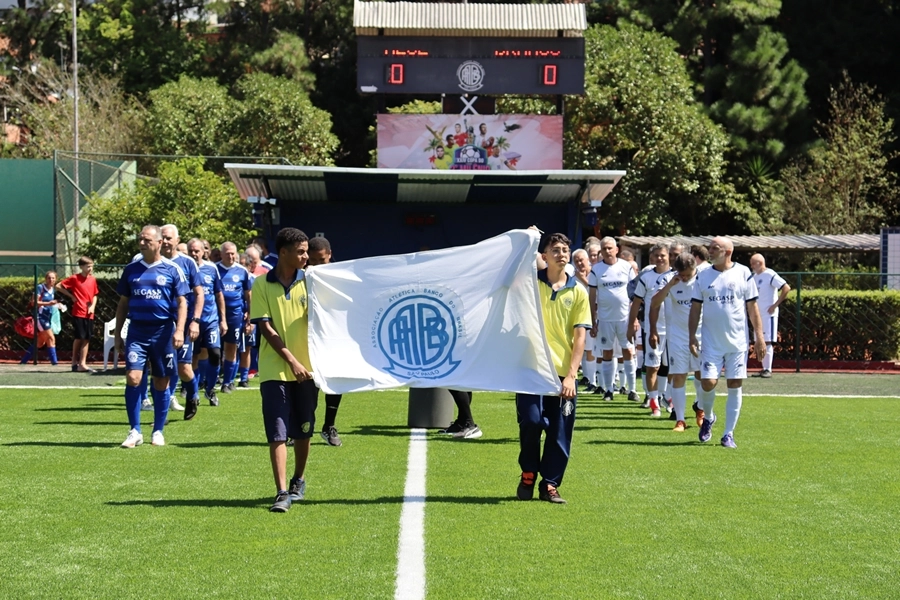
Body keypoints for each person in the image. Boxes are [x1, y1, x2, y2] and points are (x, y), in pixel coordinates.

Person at [516, 232, 591, 505]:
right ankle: (528, 472)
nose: (561, 254)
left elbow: (580, 336)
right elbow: (506, 276)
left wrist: (572, 375)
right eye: (555, 249)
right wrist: (526, 239)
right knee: (532, 422)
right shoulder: (528, 284)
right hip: (530, 369)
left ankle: (550, 484)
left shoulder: (578, 291)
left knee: (560, 430)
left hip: (562, 374)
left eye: (564, 250)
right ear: (543, 256)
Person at [250, 227, 317, 512]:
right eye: (301, 252)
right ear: (285, 253)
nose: (306, 257)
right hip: (274, 370)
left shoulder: (313, 282)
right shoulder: (261, 284)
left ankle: (298, 480)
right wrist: (291, 360)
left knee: (303, 430)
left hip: (310, 371)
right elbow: (266, 328)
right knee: (277, 431)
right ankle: (280, 492)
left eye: (306, 251)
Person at [689, 236, 766, 448]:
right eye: (710, 247)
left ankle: (728, 434)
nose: (710, 251)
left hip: (737, 343)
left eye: (715, 248)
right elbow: (695, 308)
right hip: (711, 342)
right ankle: (709, 417)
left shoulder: (743, 273)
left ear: (728, 252)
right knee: (708, 383)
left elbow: (752, 308)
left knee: (734, 383)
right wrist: (691, 336)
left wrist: (760, 337)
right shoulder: (702, 275)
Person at [114, 225, 188, 448]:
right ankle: (134, 430)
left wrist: (179, 330)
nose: (142, 242)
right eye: (140, 239)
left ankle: (158, 430)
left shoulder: (172, 269)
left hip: (163, 332)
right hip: (137, 331)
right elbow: (123, 303)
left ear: (158, 243)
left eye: (147, 239)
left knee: (161, 381)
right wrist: (118, 334)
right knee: (133, 378)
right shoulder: (131, 269)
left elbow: (182, 302)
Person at [649, 252, 706, 432]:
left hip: (701, 336)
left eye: (687, 275)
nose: (684, 278)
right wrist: (669, 286)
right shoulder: (669, 281)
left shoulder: (703, 280)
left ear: (694, 268)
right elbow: (654, 303)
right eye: (681, 274)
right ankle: (680, 420)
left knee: (702, 376)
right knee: (679, 376)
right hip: (677, 337)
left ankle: (700, 408)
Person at [160, 224, 204, 418]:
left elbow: (199, 293)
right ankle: (161, 415)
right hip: (159, 324)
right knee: (163, 369)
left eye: (170, 238)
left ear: (177, 241)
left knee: (184, 368)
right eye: (163, 237)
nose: (166, 241)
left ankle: (192, 395)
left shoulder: (187, 263)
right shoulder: (152, 263)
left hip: (182, 324)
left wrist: (195, 321)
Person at [305, 236, 346, 447]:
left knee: (334, 382)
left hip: (333, 336)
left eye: (321, 260)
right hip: (308, 337)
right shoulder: (302, 276)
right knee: (309, 385)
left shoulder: (341, 276)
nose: (316, 265)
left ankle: (329, 426)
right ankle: (304, 428)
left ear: (329, 255)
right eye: (312, 260)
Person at [588, 237, 639, 402]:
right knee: (607, 352)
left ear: (616, 249)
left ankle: (632, 390)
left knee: (628, 351)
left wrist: (635, 318)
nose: (607, 251)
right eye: (604, 249)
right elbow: (592, 296)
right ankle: (608, 389)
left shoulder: (626, 267)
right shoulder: (596, 269)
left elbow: (635, 295)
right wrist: (592, 320)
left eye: (610, 248)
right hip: (605, 319)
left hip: (625, 318)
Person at [628, 243, 674, 416]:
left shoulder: (676, 276)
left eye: (663, 255)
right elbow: (637, 303)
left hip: (674, 330)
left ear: (668, 256)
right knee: (652, 367)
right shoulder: (646, 277)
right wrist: (631, 324)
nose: (660, 258)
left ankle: (668, 398)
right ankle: (654, 402)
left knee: (672, 368)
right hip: (652, 328)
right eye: (657, 256)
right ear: (652, 258)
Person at [187, 238, 227, 406]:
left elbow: (219, 294)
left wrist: (223, 319)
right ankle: (194, 392)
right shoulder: (183, 268)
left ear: (204, 251)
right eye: (192, 251)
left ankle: (210, 390)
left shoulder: (212, 268)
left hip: (210, 319)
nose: (194, 254)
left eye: (197, 251)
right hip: (191, 321)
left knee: (215, 354)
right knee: (193, 358)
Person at [217, 242, 252, 393]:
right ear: (221, 254)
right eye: (227, 253)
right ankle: (208, 380)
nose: (230, 256)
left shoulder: (242, 271)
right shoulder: (214, 269)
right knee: (213, 349)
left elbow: (248, 295)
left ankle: (227, 382)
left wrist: (250, 316)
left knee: (232, 347)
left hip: (235, 315)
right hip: (215, 315)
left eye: (233, 254)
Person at [749, 254, 791, 378]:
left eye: (753, 263)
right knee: (758, 341)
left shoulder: (770, 274)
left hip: (768, 314)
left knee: (767, 341)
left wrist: (775, 305)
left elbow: (786, 288)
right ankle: (763, 368)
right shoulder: (754, 277)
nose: (751, 266)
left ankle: (768, 369)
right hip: (757, 314)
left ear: (760, 263)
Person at [55, 256, 100, 372]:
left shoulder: (93, 279)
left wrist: (93, 306)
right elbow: (58, 286)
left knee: (87, 338)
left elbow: (95, 295)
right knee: (79, 337)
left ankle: (82, 363)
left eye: (91, 266)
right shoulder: (75, 278)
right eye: (87, 266)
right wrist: (71, 296)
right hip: (78, 311)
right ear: (81, 267)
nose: (90, 269)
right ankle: (74, 362)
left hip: (89, 313)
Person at [20, 271, 61, 365]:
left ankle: (23, 361)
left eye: (53, 278)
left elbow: (51, 304)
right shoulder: (40, 287)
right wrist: (48, 303)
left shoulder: (53, 290)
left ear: (56, 279)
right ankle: (55, 363)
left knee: (40, 342)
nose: (51, 280)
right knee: (51, 338)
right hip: (40, 317)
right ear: (46, 279)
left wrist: (57, 305)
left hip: (48, 317)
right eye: (49, 278)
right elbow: (34, 302)